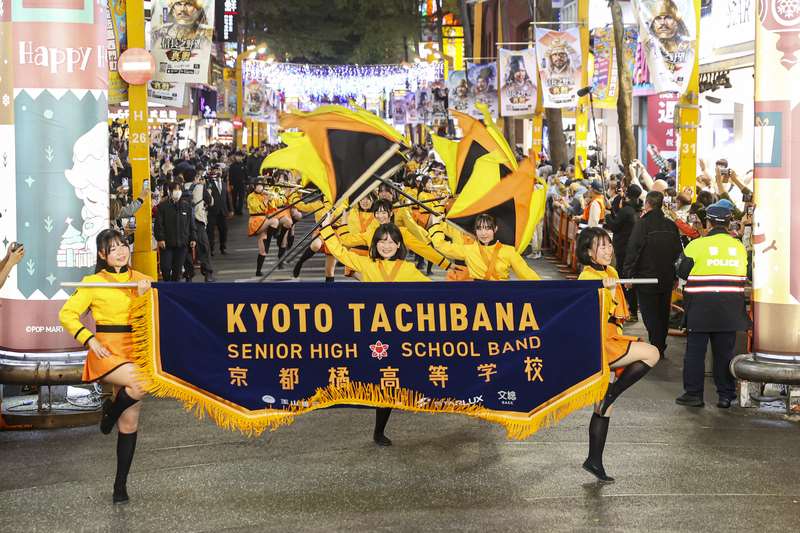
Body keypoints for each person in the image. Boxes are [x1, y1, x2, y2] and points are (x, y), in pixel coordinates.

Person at [58, 229, 153, 503]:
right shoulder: (93, 282)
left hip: (137, 348)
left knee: (130, 423)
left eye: (123, 245)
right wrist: (89, 340)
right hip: (107, 351)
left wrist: (146, 295)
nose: (121, 252)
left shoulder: (143, 279)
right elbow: (66, 314)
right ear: (102, 254)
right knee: (143, 382)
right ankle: (110, 410)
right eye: (112, 249)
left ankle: (119, 486)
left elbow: (157, 314)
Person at [320, 216, 429, 447]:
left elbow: (437, 293)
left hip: (399, 335)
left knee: (390, 381)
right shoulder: (366, 264)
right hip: (371, 333)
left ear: (398, 245)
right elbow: (340, 252)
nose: (386, 246)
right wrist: (326, 227)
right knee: (374, 378)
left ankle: (379, 430)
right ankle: (374, 425)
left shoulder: (409, 269)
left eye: (391, 242)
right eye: (381, 241)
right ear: (374, 244)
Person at [577, 227, 660, 482]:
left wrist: (614, 287)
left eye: (609, 245)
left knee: (604, 408)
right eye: (601, 246)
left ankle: (594, 461)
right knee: (652, 353)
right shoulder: (587, 277)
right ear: (588, 252)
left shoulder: (611, 272)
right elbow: (588, 315)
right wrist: (607, 292)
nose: (608, 250)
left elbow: (619, 312)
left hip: (614, 336)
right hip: (600, 341)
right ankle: (612, 392)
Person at [675, 202, 749, 408]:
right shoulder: (738, 247)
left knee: (695, 352)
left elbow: (681, 271)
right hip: (730, 308)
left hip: (700, 307)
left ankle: (694, 394)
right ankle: (726, 395)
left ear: (707, 223)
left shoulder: (696, 245)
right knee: (725, 353)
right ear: (729, 223)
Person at [623, 191, 682, 358]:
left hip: (646, 277)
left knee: (650, 314)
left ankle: (656, 345)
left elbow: (633, 250)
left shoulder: (642, 224)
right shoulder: (671, 225)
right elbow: (678, 253)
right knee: (663, 313)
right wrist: (675, 276)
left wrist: (628, 274)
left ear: (647, 204)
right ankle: (660, 345)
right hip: (666, 277)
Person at [429, 214, 541, 281]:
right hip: (478, 299)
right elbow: (441, 245)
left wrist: (546, 289)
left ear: (495, 229)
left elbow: (527, 275)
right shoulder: (468, 249)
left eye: (487, 228)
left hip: (502, 299)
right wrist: (435, 225)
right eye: (479, 229)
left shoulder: (508, 251)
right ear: (475, 231)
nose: (483, 233)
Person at [604, 184, 642, 321]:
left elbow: (614, 225)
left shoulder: (626, 210)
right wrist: (612, 210)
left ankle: (629, 309)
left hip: (623, 248)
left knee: (624, 278)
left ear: (627, 194)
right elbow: (620, 220)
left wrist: (607, 214)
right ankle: (631, 309)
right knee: (629, 278)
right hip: (633, 248)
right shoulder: (637, 209)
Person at [154, 182, 197, 281]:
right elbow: (158, 225)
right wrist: (160, 238)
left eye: (179, 190)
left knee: (177, 270)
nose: (177, 192)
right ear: (170, 191)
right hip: (166, 244)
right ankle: (167, 285)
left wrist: (193, 238)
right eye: (175, 190)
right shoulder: (162, 207)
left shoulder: (187, 207)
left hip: (182, 244)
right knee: (165, 268)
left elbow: (191, 224)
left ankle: (175, 286)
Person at [206, 163, 231, 255]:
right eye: (216, 170)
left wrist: (230, 209)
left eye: (220, 170)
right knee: (211, 231)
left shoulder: (223, 183)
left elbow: (227, 196)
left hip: (223, 210)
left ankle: (223, 247)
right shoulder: (209, 184)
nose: (218, 172)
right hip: (212, 210)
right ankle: (211, 249)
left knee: (224, 230)